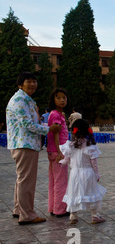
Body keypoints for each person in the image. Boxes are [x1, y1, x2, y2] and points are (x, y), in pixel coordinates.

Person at [6, 72, 61, 225]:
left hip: (25, 144)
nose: (32, 84)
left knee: (21, 179)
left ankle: (19, 210)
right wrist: (49, 129)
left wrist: (48, 126)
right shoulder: (20, 100)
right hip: (25, 144)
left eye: (34, 81)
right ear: (20, 84)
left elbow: (32, 122)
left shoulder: (26, 100)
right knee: (27, 181)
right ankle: (27, 215)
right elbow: (27, 125)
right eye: (29, 81)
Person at [59, 119, 106, 225]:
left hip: (74, 173)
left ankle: (73, 215)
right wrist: (97, 174)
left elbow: (66, 160)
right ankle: (94, 215)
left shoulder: (70, 146)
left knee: (74, 192)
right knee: (92, 192)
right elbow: (94, 163)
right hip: (88, 173)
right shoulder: (90, 146)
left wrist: (60, 162)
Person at [46, 88, 70, 217]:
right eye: (58, 97)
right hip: (58, 151)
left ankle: (53, 207)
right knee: (61, 181)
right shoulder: (56, 114)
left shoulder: (58, 114)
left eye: (64, 97)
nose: (62, 100)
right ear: (53, 100)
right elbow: (55, 133)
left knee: (54, 181)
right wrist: (60, 151)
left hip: (53, 151)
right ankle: (60, 210)